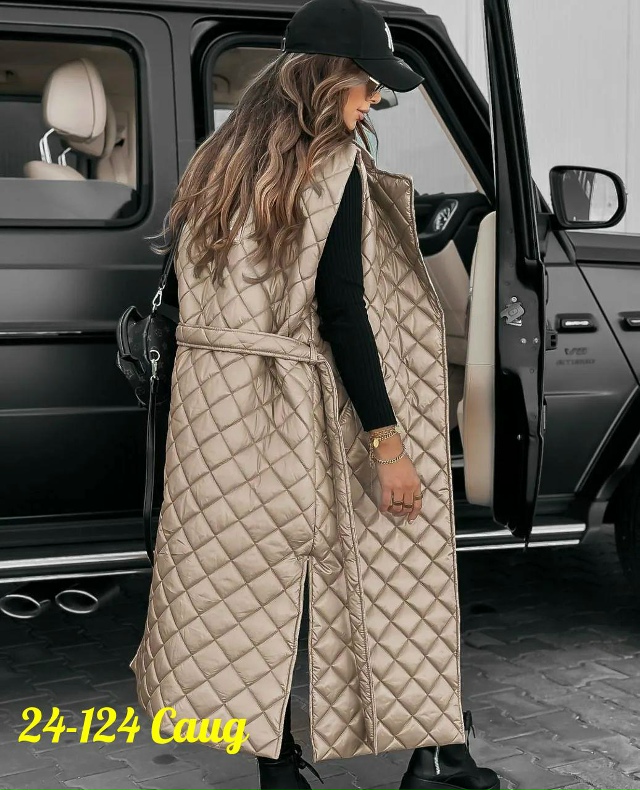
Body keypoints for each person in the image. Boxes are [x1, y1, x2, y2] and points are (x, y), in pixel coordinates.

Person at [129, 1, 500, 789]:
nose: (375, 100)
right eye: (367, 84)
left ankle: (283, 771)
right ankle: (436, 755)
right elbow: (343, 313)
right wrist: (389, 445)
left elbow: (182, 295)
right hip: (299, 402)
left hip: (213, 410)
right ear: (328, 81)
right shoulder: (335, 169)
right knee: (379, 564)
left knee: (241, 593)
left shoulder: (216, 162)